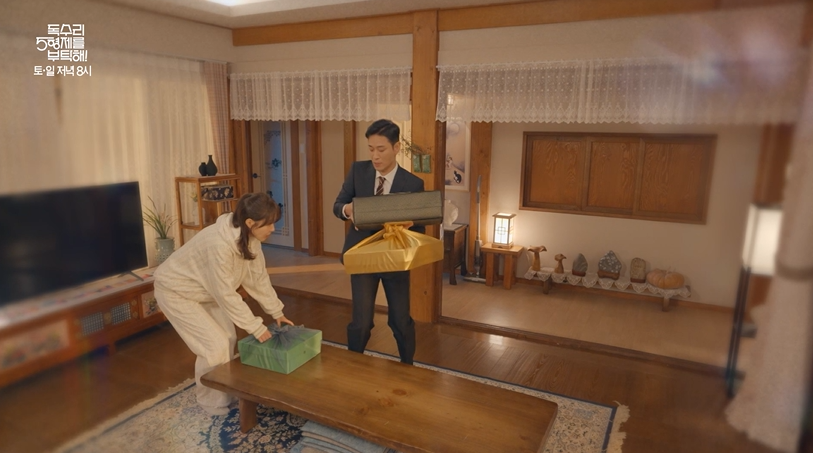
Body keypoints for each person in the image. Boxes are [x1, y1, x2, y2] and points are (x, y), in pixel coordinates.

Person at [154, 192, 293, 415]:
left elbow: (257, 279)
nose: (273, 229)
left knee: (228, 337)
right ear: (250, 223)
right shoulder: (219, 244)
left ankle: (224, 391)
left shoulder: (251, 239)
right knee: (214, 345)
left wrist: (276, 312)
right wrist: (256, 327)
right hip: (176, 291)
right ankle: (210, 402)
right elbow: (226, 294)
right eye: (268, 224)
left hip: (206, 292)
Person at [333, 119, 425, 364]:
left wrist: (410, 224)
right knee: (361, 321)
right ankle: (354, 366)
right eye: (371, 149)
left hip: (395, 259)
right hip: (362, 256)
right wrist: (348, 210)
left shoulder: (413, 183)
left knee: (400, 320)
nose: (375, 156)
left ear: (396, 148)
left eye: (381, 149)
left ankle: (408, 367)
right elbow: (338, 205)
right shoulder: (358, 171)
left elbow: (421, 227)